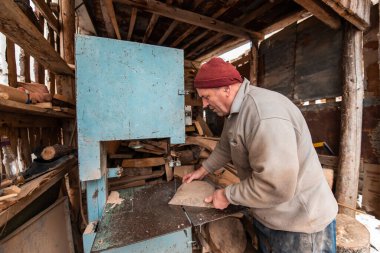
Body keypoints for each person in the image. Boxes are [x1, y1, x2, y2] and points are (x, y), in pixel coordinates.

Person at [183, 57, 338, 252]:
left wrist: (228, 195)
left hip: (300, 225)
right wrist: (204, 170)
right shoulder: (235, 112)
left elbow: (277, 185)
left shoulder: (264, 116)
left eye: (206, 97)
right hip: (271, 216)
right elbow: (225, 146)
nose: (204, 105)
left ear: (226, 89)